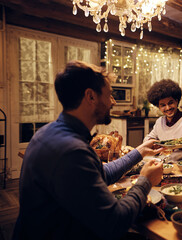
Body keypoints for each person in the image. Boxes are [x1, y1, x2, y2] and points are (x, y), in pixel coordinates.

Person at [13, 61, 164, 240]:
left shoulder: (51, 131)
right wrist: (145, 181)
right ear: (91, 97)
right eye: (109, 95)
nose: (113, 102)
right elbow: (115, 223)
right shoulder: (71, 151)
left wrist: (139, 152)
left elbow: (101, 173)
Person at [143, 79, 182, 161]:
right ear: (158, 106)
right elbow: (147, 139)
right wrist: (156, 145)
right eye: (163, 105)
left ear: (177, 101)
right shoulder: (160, 122)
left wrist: (180, 147)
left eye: (170, 103)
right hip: (164, 166)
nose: (168, 108)